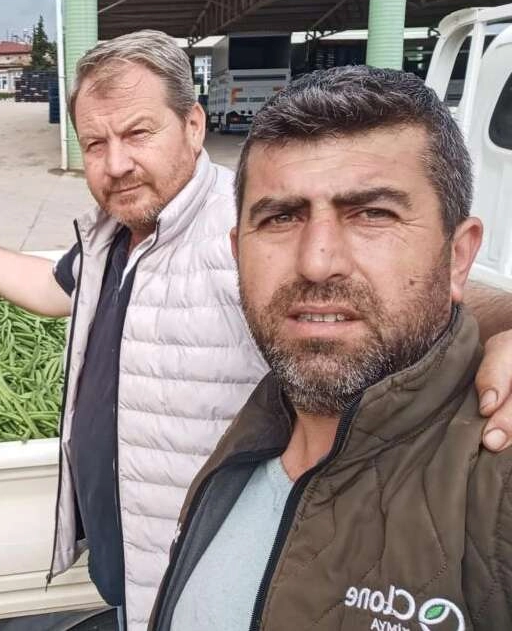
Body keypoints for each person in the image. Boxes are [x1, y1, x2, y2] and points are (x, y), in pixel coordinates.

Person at [0, 31, 512, 629]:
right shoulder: (114, 236)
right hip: (147, 558)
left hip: (194, 555)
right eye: (95, 144)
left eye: (138, 134)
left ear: (193, 126)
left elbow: (402, 296)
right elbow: (53, 289)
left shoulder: (241, 228)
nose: (116, 164)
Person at [148, 65, 512, 630]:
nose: (317, 262)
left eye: (373, 214)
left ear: (458, 256)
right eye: (281, 217)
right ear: (238, 252)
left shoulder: (496, 479)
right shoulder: (258, 429)